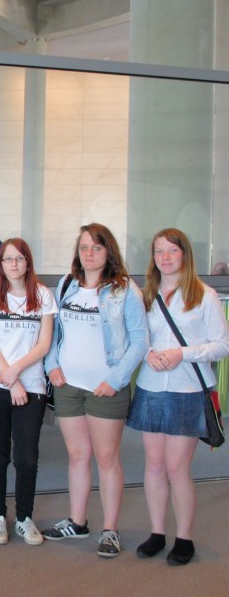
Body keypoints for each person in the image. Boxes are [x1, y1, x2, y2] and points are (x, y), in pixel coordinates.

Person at [42, 223, 148, 558]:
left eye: (96, 248)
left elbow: (140, 341)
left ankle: (110, 530)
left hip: (106, 388)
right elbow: (55, 333)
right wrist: (52, 365)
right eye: (84, 248)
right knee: (77, 456)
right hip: (69, 385)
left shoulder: (126, 290)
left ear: (109, 252)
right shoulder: (67, 284)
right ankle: (77, 521)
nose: (89, 254)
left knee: (106, 458)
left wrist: (116, 379)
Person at [127, 228, 229, 565]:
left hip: (187, 390)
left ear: (184, 254)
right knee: (154, 465)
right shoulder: (145, 295)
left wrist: (180, 354)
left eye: (172, 251)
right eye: (159, 251)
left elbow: (222, 345)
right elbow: (137, 339)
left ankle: (184, 538)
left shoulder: (205, 295)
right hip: (152, 388)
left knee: (176, 468)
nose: (165, 257)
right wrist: (150, 354)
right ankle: (157, 532)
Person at [0, 238, 56, 547]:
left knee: (26, 458)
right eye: (7, 259)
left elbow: (44, 344)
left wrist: (16, 374)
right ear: (1, 264)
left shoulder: (43, 295)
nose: (13, 264)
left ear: (28, 262)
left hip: (32, 387)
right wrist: (12, 381)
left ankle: (25, 518)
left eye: (19, 259)